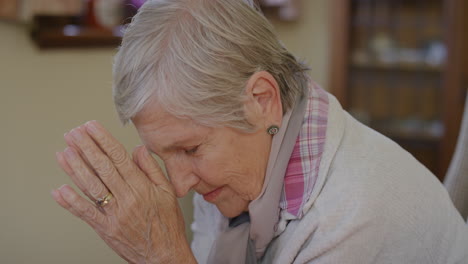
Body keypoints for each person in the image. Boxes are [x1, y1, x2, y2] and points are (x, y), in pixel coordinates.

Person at [52, 0, 468, 263]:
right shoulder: (255, 148)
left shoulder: (349, 220)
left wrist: (163, 256)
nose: (179, 186)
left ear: (262, 98)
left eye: (191, 149)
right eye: (165, 156)